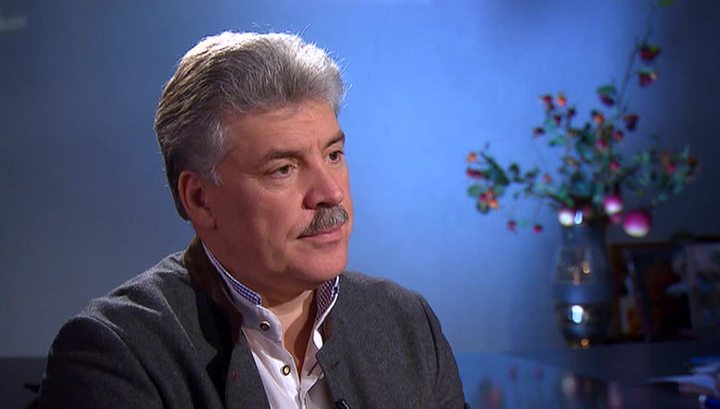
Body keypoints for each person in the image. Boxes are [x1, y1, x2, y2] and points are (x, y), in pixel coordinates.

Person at [38, 31, 468, 409]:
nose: (330, 193)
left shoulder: (405, 323)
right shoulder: (118, 355)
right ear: (200, 199)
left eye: (333, 155)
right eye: (283, 169)